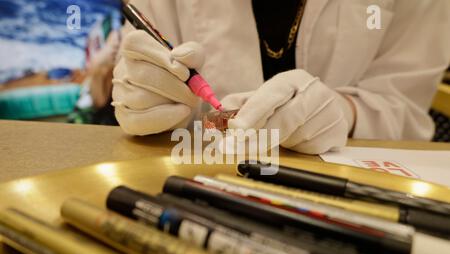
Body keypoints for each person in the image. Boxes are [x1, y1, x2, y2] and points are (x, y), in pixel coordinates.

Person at [112, 0, 450, 154]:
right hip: (188, 178)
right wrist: (143, 93)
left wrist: (343, 112)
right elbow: (143, 51)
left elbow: (403, 106)